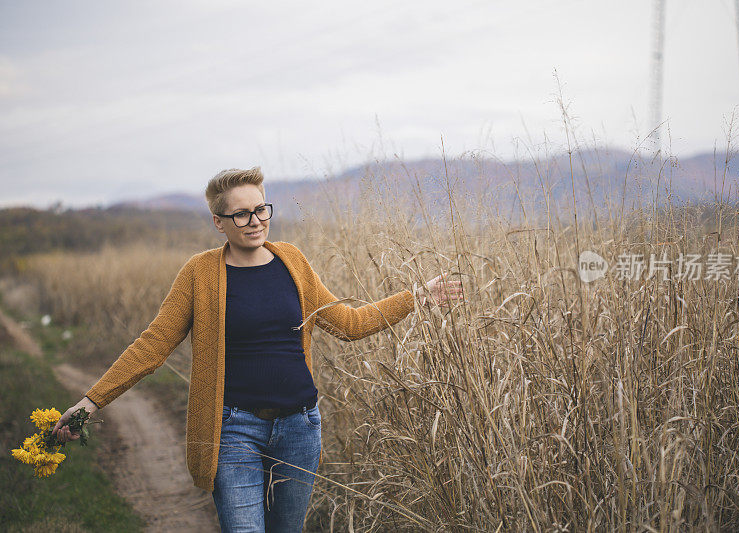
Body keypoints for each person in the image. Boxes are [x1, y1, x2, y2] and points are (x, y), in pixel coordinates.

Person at [52, 167, 463, 532]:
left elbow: (349, 324)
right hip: (232, 430)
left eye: (262, 209)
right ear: (218, 221)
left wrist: (416, 297)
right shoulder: (198, 273)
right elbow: (153, 345)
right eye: (242, 214)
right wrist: (91, 402)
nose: (256, 221)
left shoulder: (292, 261)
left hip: (300, 427)